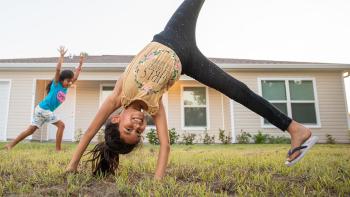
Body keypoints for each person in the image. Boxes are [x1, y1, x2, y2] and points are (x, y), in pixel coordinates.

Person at [66, 0, 318, 178]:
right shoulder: (156, 107)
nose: (138, 126)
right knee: (237, 90)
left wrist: (73, 165)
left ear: (116, 118)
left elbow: (90, 130)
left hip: (174, 34)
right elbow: (165, 146)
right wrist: (157, 182)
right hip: (189, 61)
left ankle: (294, 128)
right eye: (138, 132)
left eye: (128, 128)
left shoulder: (118, 96)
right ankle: (296, 129)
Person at [4, 46, 86, 151]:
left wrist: (80, 64)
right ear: (61, 79)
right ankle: (58, 150)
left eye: (71, 80)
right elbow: (57, 70)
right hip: (44, 109)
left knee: (31, 130)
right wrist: (61, 56)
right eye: (68, 80)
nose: (70, 82)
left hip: (41, 109)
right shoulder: (56, 84)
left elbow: (76, 77)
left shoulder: (66, 87)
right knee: (61, 126)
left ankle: (10, 145)